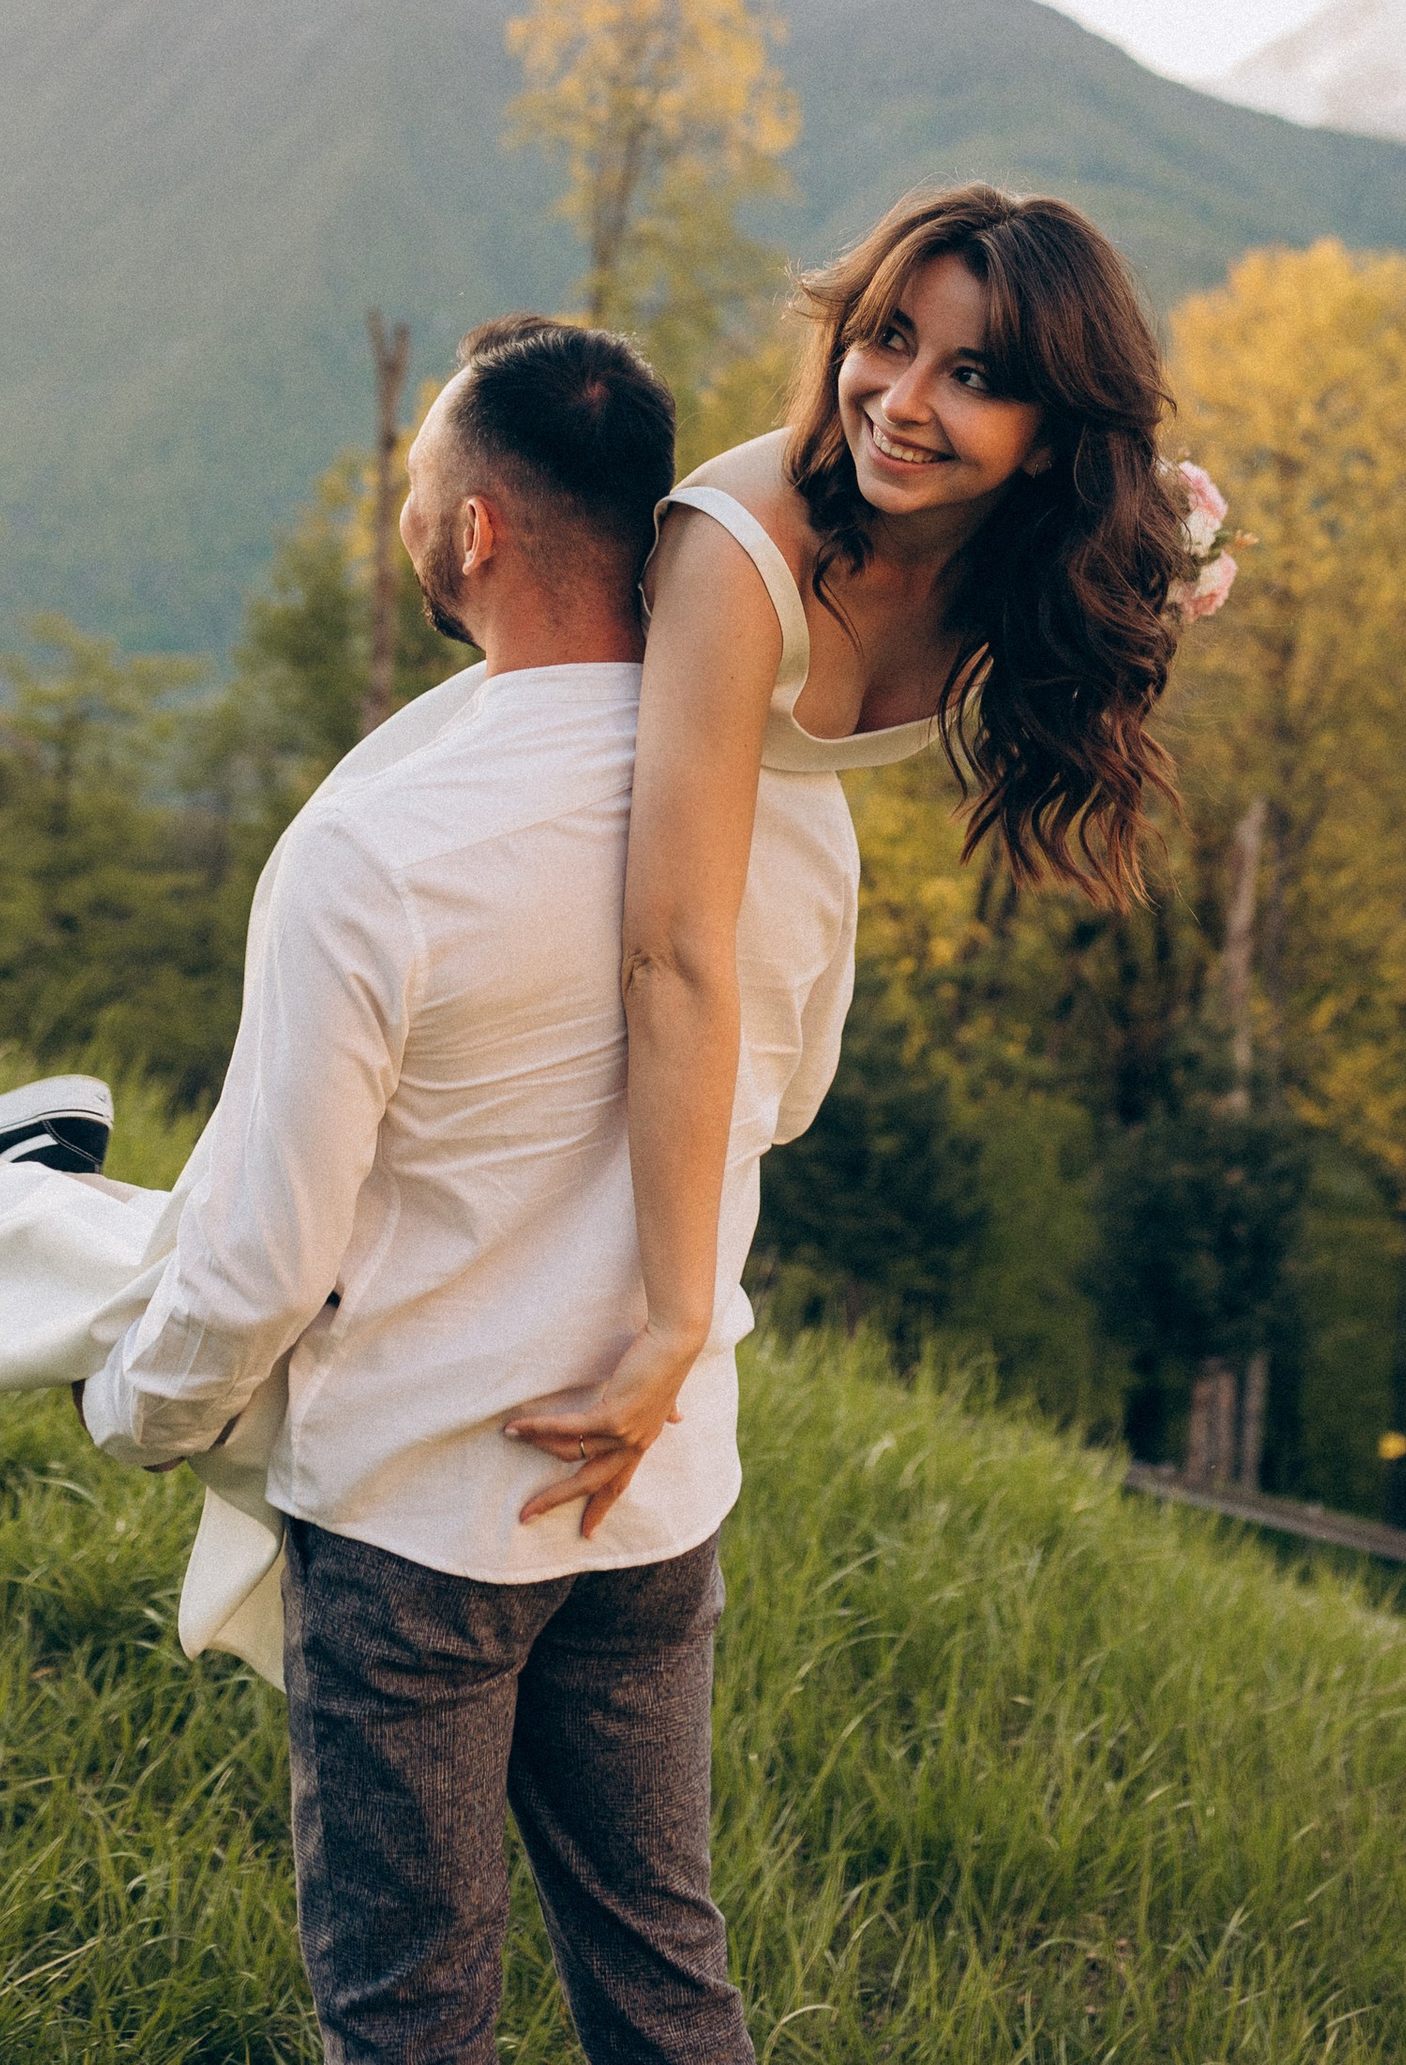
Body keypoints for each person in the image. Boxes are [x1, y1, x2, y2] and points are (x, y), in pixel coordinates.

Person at [0, 315, 839, 2065]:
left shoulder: (377, 849)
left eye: (414, 480)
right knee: (664, 1973)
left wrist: (138, 1419)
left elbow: (262, 1264)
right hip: (657, 1482)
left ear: (471, 533)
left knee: (406, 2017)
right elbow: (784, 1089)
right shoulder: (789, 809)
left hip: (419, 1522)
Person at [501, 183, 1198, 1531]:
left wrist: (1157, 560)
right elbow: (671, 949)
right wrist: (679, 1315)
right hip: (583, 857)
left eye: (976, 374)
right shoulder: (740, 545)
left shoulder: (1026, 543)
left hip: (761, 876)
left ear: (1057, 440)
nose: (900, 397)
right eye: (884, 337)